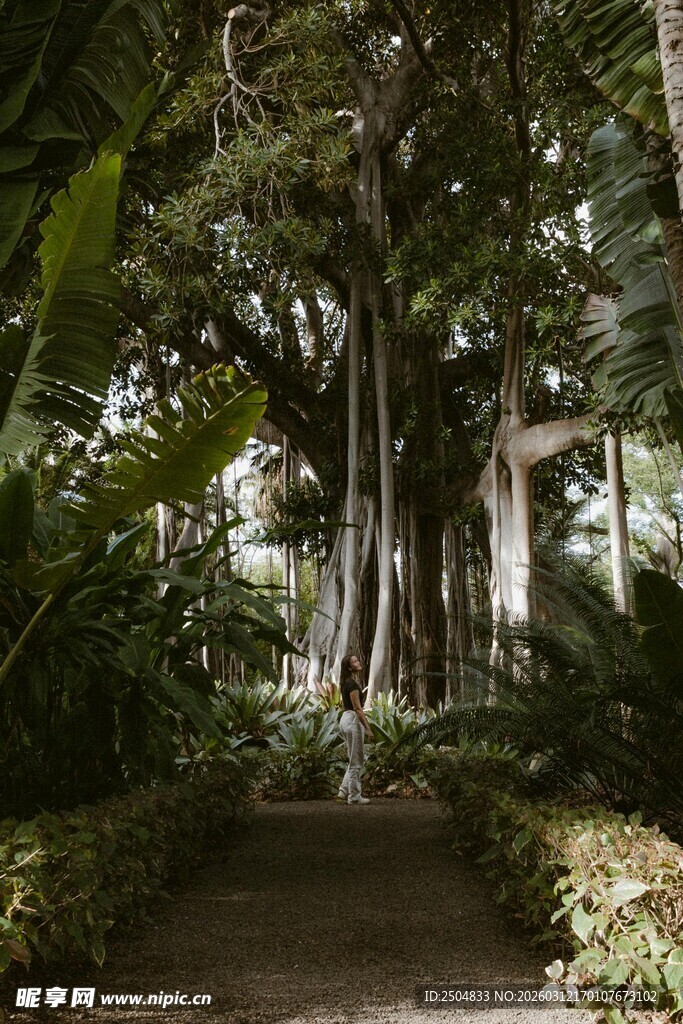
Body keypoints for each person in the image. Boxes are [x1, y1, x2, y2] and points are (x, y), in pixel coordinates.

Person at [336, 653, 373, 805]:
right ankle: (354, 796)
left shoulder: (346, 683)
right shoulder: (352, 685)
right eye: (355, 661)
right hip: (352, 720)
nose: (358, 662)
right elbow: (358, 708)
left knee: (353, 757)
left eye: (358, 659)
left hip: (345, 719)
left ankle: (343, 791)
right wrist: (368, 729)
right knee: (356, 760)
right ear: (349, 667)